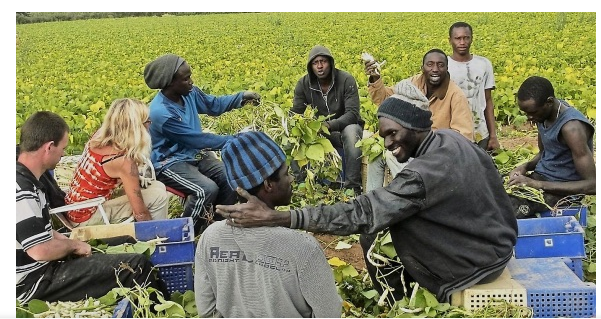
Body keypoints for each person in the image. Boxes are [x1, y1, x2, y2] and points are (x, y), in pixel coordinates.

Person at [216, 96, 517, 304]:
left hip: (475, 267)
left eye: (392, 133)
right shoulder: (451, 139)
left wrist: (281, 217)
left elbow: (363, 213)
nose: (387, 144)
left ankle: (399, 303)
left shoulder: (421, 175)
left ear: (415, 128)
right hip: (498, 245)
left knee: (377, 226)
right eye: (384, 136)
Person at [17, 111, 168, 303]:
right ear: (49, 147)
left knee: (127, 242)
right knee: (137, 266)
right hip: (35, 281)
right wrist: (74, 245)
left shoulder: (30, 180)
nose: (63, 154)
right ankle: (160, 312)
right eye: (63, 148)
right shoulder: (20, 190)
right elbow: (40, 250)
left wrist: (66, 239)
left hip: (45, 265)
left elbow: (40, 233)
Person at [195, 131, 341, 317]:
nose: (291, 179)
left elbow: (206, 312)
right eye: (286, 173)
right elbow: (329, 313)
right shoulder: (302, 247)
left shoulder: (210, 238)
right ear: (268, 184)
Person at [144, 53, 262, 234]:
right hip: (169, 162)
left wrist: (241, 98)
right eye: (186, 79)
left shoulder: (189, 92)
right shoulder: (161, 112)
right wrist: (236, 139)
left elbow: (212, 105)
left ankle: (217, 228)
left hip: (193, 154)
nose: (191, 81)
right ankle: (186, 235)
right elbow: (195, 139)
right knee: (205, 190)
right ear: (170, 83)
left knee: (229, 178)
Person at [364, 49, 474, 191]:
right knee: (376, 156)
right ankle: (370, 201)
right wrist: (375, 78)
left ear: (447, 68)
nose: (435, 69)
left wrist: (432, 144)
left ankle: (412, 197)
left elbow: (463, 137)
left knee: (393, 156)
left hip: (438, 156)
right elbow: (386, 100)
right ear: (422, 67)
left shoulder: (455, 95)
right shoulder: (413, 84)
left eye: (440, 65)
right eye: (430, 65)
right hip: (412, 145)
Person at [64, 98, 169, 226]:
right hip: (87, 218)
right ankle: (158, 237)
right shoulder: (123, 161)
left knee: (158, 186)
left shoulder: (100, 136)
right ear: (136, 127)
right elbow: (140, 213)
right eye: (147, 121)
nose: (150, 124)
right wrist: (149, 226)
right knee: (159, 196)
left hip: (75, 208)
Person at [508, 76, 595, 218]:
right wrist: (525, 166)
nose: (529, 118)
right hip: (541, 179)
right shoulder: (542, 115)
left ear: (549, 102)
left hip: (562, 191)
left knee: (505, 211)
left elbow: (593, 185)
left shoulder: (571, 128)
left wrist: (536, 184)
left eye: (532, 113)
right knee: (491, 188)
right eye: (526, 113)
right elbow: (545, 153)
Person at [291, 45, 364, 194]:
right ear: (310, 66)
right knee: (294, 134)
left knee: (352, 132)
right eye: (315, 63)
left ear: (330, 63)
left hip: (344, 128)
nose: (319, 66)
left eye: (323, 61)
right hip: (320, 131)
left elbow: (352, 114)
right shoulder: (303, 84)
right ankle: (302, 184)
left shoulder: (346, 80)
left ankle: (352, 187)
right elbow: (296, 113)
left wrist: (330, 125)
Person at [448, 21, 499, 151]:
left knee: (481, 167)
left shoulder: (484, 64)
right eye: (458, 38)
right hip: (454, 132)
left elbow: (488, 100)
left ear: (472, 39)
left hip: (480, 131)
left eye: (466, 38)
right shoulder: (444, 65)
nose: (462, 42)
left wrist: (493, 135)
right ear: (450, 40)